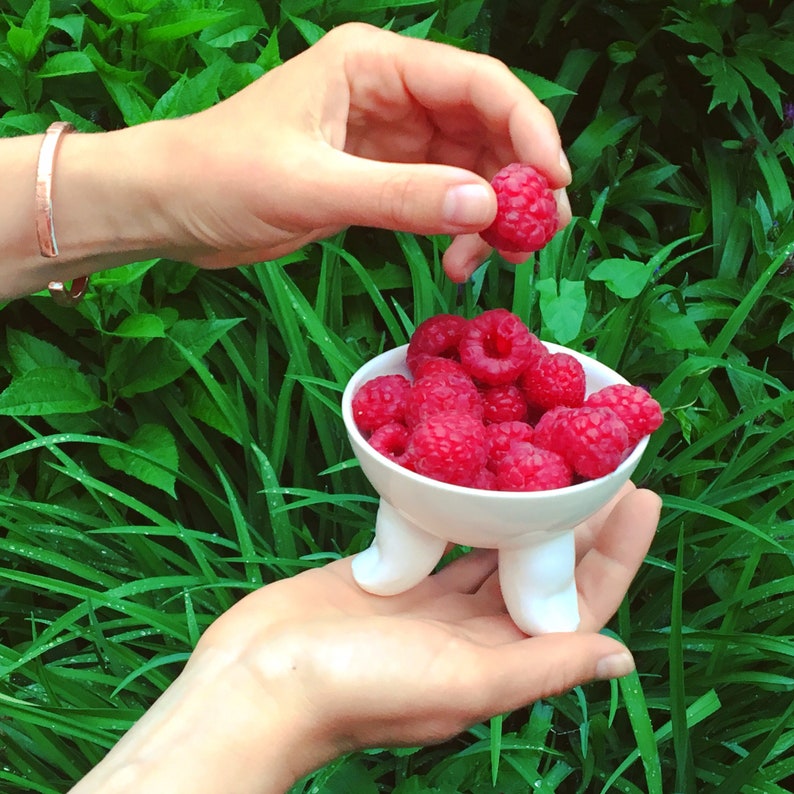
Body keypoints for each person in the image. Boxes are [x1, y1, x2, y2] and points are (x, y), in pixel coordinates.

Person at [0, 21, 659, 793]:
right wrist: (271, 699)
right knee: (431, 502)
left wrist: (142, 187)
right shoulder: (441, 413)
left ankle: (466, 568)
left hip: (519, 478)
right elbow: (450, 419)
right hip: (474, 469)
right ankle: (413, 562)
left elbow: (510, 416)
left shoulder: (519, 414)